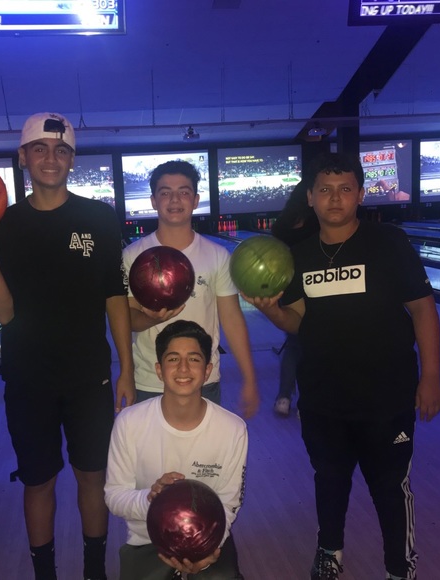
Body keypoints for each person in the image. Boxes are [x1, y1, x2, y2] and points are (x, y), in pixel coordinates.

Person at [0, 112, 135, 580]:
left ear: (72, 158)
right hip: (28, 378)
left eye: (61, 150)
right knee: (38, 481)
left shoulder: (98, 218)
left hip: (89, 374)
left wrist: (126, 369)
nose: (51, 158)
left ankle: (94, 572)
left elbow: (114, 296)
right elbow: (3, 313)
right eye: (40, 149)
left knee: (92, 475)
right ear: (23, 157)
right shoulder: (3, 226)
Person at [242, 152, 440, 580]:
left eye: (345, 189)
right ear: (310, 197)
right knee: (329, 481)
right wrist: (271, 310)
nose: (335, 198)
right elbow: (297, 321)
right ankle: (329, 554)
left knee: (390, 489)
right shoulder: (298, 256)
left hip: (387, 396)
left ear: (360, 195)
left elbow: (423, 308)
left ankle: (399, 568)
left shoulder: (388, 242)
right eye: (325, 190)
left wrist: (430, 376)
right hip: (323, 397)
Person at [105, 319, 247, 579]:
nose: (183, 368)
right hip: (148, 541)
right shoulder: (129, 423)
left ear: (207, 370)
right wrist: (151, 499)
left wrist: (205, 555)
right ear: (159, 370)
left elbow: (228, 504)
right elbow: (114, 496)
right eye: (173, 359)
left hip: (208, 539)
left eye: (194, 359)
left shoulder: (233, 429)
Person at [123, 160, 260, 418]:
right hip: (150, 380)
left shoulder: (218, 255)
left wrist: (250, 377)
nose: (175, 200)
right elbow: (126, 319)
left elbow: (231, 319)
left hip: (203, 378)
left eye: (184, 192)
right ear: (153, 201)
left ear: (196, 200)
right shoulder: (132, 256)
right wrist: (151, 318)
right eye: (165, 193)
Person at [270, 180, 319, 416]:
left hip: (289, 288)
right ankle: (308, 400)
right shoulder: (318, 223)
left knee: (293, 345)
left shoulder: (283, 224)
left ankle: (283, 398)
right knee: (315, 347)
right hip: (315, 288)